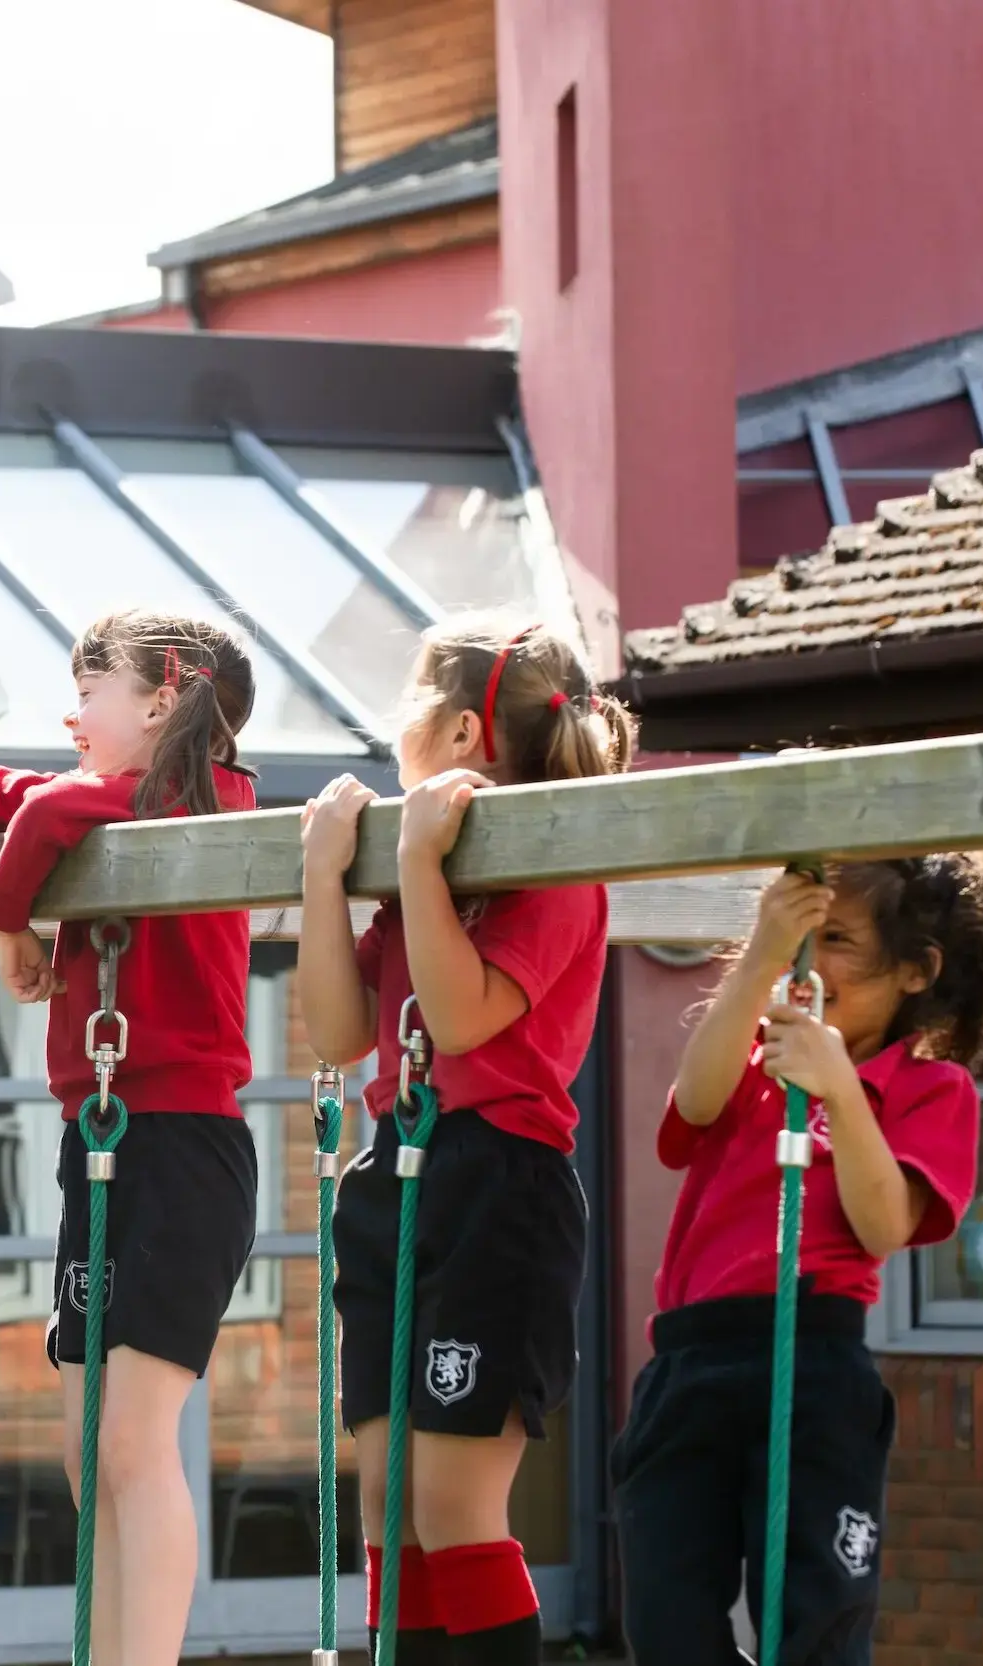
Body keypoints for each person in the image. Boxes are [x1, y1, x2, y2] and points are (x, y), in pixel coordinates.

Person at [0, 610, 259, 1666]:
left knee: (132, 1441)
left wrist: (5, 916)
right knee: (82, 1448)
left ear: (161, 699)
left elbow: (49, 810)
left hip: (184, 1147)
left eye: (89, 688)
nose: (70, 712)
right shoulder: (107, 799)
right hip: (100, 1140)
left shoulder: (206, 797)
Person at [298, 616, 634, 1665]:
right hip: (397, 1170)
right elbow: (340, 1029)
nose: (389, 718)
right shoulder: (419, 868)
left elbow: (459, 1017)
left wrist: (413, 863)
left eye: (407, 697)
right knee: (389, 1502)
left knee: (450, 1500)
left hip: (500, 1182)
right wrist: (321, 876)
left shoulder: (552, 867)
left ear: (457, 731)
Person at [613, 857, 983, 1666]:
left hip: (812, 1360)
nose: (807, 957)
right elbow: (693, 1104)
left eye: (833, 938)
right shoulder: (756, 1058)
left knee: (816, 1613)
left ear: (914, 970)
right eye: (801, 931)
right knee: (663, 1613)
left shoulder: (928, 1089)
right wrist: (762, 952)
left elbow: (881, 1224)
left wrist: (839, 1087)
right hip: (691, 1355)